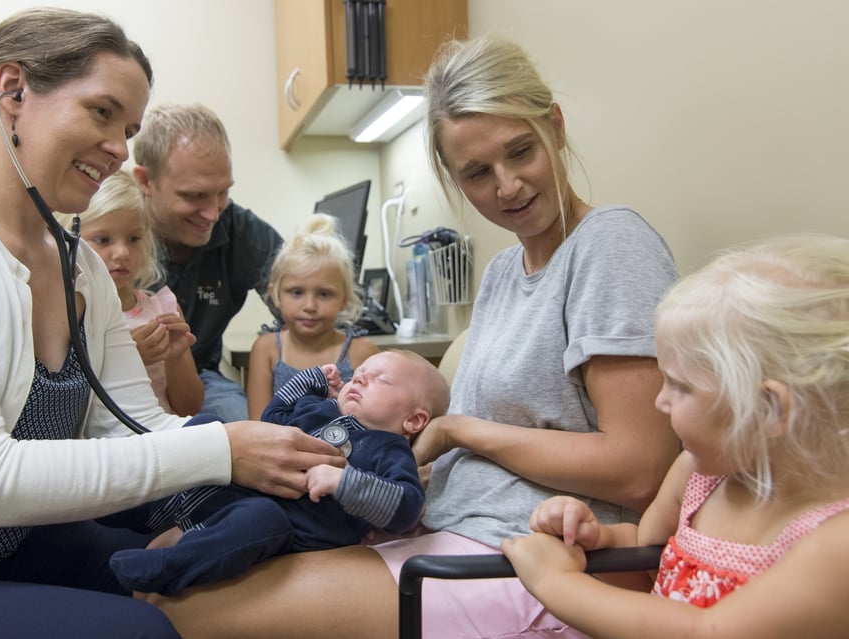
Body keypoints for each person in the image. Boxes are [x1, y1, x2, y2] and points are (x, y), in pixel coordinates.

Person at [145, 34, 681, 638]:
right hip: (439, 525)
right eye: (477, 173)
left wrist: (456, 430)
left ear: (555, 127)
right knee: (170, 556)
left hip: (533, 554)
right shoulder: (505, 271)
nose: (506, 187)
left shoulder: (610, 245)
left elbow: (641, 469)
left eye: (521, 151)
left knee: (175, 614)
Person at [0, 8, 343, 638]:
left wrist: (259, 473)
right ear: (13, 91)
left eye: (128, 128)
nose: (119, 149)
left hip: (12, 542)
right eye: (102, 113)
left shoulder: (81, 268)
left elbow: (136, 427)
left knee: (249, 570)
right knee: (143, 630)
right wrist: (219, 450)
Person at [506, 234, 849, 637]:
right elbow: (647, 561)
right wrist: (593, 538)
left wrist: (554, 583)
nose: (660, 401)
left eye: (679, 386)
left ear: (767, 409)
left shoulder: (836, 542)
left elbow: (703, 631)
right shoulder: (700, 477)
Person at [107, 349, 450, 596]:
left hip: (284, 524)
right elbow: (273, 419)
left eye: (381, 379)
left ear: (414, 420)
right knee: (207, 426)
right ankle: (124, 502)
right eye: (359, 372)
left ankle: (169, 567)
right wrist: (309, 380)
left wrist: (346, 483)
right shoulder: (319, 410)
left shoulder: (389, 450)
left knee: (263, 519)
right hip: (232, 484)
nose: (359, 377)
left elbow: (405, 508)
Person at [132, 103, 284, 422]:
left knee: (249, 438)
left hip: (202, 378)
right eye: (194, 196)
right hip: (126, 382)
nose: (213, 214)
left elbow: (297, 293)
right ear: (145, 182)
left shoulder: (238, 229)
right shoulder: (111, 232)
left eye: (223, 193)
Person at [56, 170, 203, 417]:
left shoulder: (164, 309)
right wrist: (126, 360)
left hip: (161, 442)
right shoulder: (66, 315)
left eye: (134, 238)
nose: (122, 252)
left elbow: (189, 408)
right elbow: (66, 410)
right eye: (103, 239)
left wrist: (176, 359)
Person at [246, 212, 380, 419]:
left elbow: (379, 422)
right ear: (275, 295)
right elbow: (258, 425)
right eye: (297, 292)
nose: (310, 306)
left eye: (324, 294)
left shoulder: (362, 352)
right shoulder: (266, 349)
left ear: (344, 299)